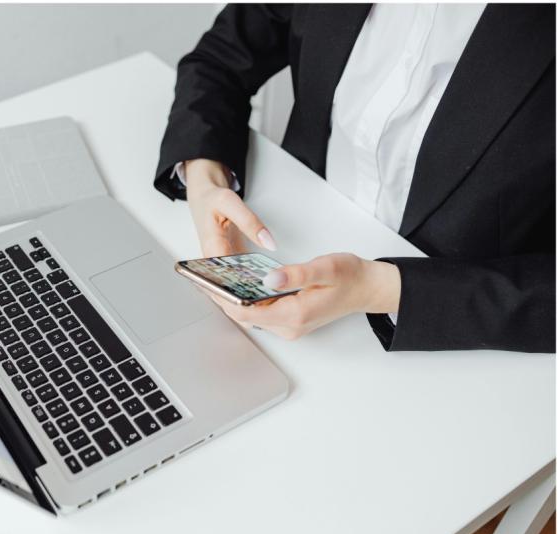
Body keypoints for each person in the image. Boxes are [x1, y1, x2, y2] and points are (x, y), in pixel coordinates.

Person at [154, 4, 555, 353]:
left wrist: (379, 288)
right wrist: (206, 175)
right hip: (287, 240)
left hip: (456, 327)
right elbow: (221, 57)